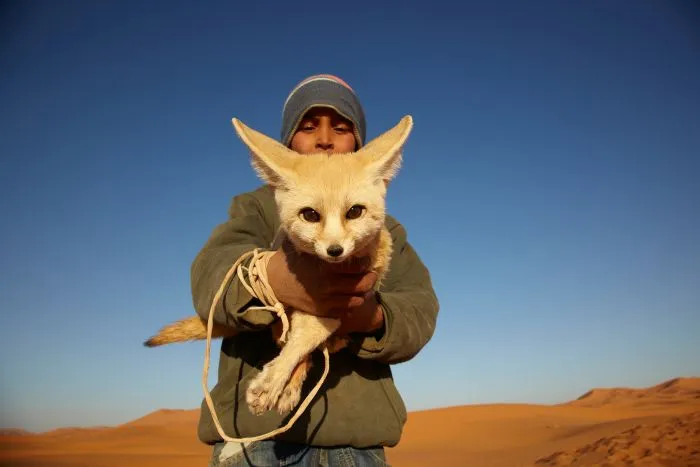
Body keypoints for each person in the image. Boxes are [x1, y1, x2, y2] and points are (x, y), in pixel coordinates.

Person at [191, 74, 439, 466]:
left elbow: (421, 311)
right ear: (288, 142)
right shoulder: (258, 208)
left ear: (359, 144)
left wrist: (368, 317)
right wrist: (275, 279)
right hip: (258, 442)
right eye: (308, 127)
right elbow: (208, 280)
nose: (325, 139)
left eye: (341, 128)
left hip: (355, 444)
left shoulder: (385, 229)